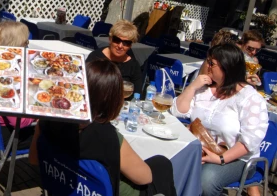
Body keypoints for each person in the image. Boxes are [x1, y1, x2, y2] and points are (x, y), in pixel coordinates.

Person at [29, 59, 177, 196]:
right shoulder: (107, 136)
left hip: (60, 185)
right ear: (112, 97)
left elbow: (34, 160)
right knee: (162, 165)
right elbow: (144, 178)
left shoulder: (46, 122)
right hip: (105, 191)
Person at [170, 44, 269, 196]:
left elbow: (249, 141)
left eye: (211, 63)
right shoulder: (205, 90)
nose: (207, 66)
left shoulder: (250, 98)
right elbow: (178, 110)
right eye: (208, 61)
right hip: (200, 149)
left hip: (237, 159)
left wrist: (219, 159)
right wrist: (192, 87)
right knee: (168, 163)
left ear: (227, 67)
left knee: (206, 180)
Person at [0, 21, 34, 149]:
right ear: (16, 45)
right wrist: (37, 117)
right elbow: (18, 122)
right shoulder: (8, 77)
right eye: (26, 43)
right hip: (5, 137)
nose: (28, 47)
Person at [86, 19, 143, 95]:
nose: (120, 46)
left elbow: (137, 93)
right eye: (116, 40)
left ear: (130, 46)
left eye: (126, 43)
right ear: (110, 39)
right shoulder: (95, 57)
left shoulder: (133, 65)